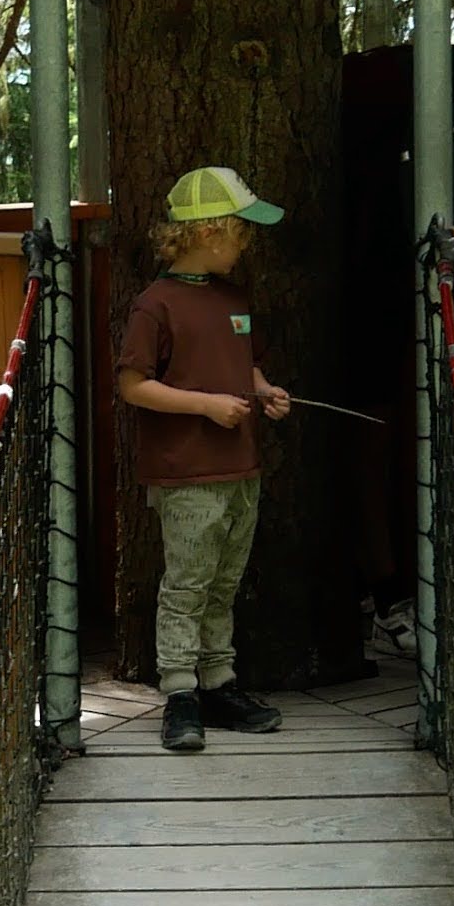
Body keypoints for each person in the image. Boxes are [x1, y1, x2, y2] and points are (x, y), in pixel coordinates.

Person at [114, 166, 294, 755]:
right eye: (241, 232)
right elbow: (134, 386)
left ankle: (219, 684)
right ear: (208, 233)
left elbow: (243, 363)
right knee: (187, 585)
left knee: (223, 582)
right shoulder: (155, 305)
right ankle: (179, 694)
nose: (245, 244)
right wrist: (206, 407)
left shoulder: (234, 299)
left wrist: (262, 388)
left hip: (241, 468)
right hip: (187, 472)